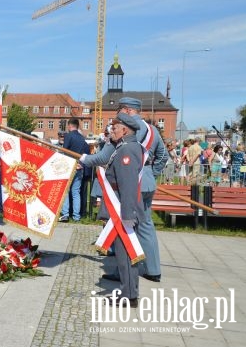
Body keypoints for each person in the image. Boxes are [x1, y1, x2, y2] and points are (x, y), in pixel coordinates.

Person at [80, 97, 167, 283]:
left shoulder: (124, 128)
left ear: (127, 110)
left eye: (118, 110)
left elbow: (103, 157)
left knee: (124, 228)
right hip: (147, 182)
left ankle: (123, 272)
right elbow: (163, 156)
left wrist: (84, 159)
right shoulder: (153, 130)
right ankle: (153, 270)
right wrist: (149, 172)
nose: (116, 116)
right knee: (145, 225)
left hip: (126, 183)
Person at [96, 113, 144, 308]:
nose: (111, 131)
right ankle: (128, 291)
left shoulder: (127, 151)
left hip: (123, 210)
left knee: (126, 253)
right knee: (124, 253)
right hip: (121, 208)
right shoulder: (125, 147)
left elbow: (128, 185)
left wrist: (127, 215)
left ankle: (129, 295)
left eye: (114, 128)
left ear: (125, 130)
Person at [59, 118, 90, 222]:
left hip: (70, 166)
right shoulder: (82, 138)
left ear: (69, 126)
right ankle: (77, 216)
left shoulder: (68, 136)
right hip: (80, 167)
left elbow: (65, 151)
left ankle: (65, 214)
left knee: (65, 191)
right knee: (76, 192)